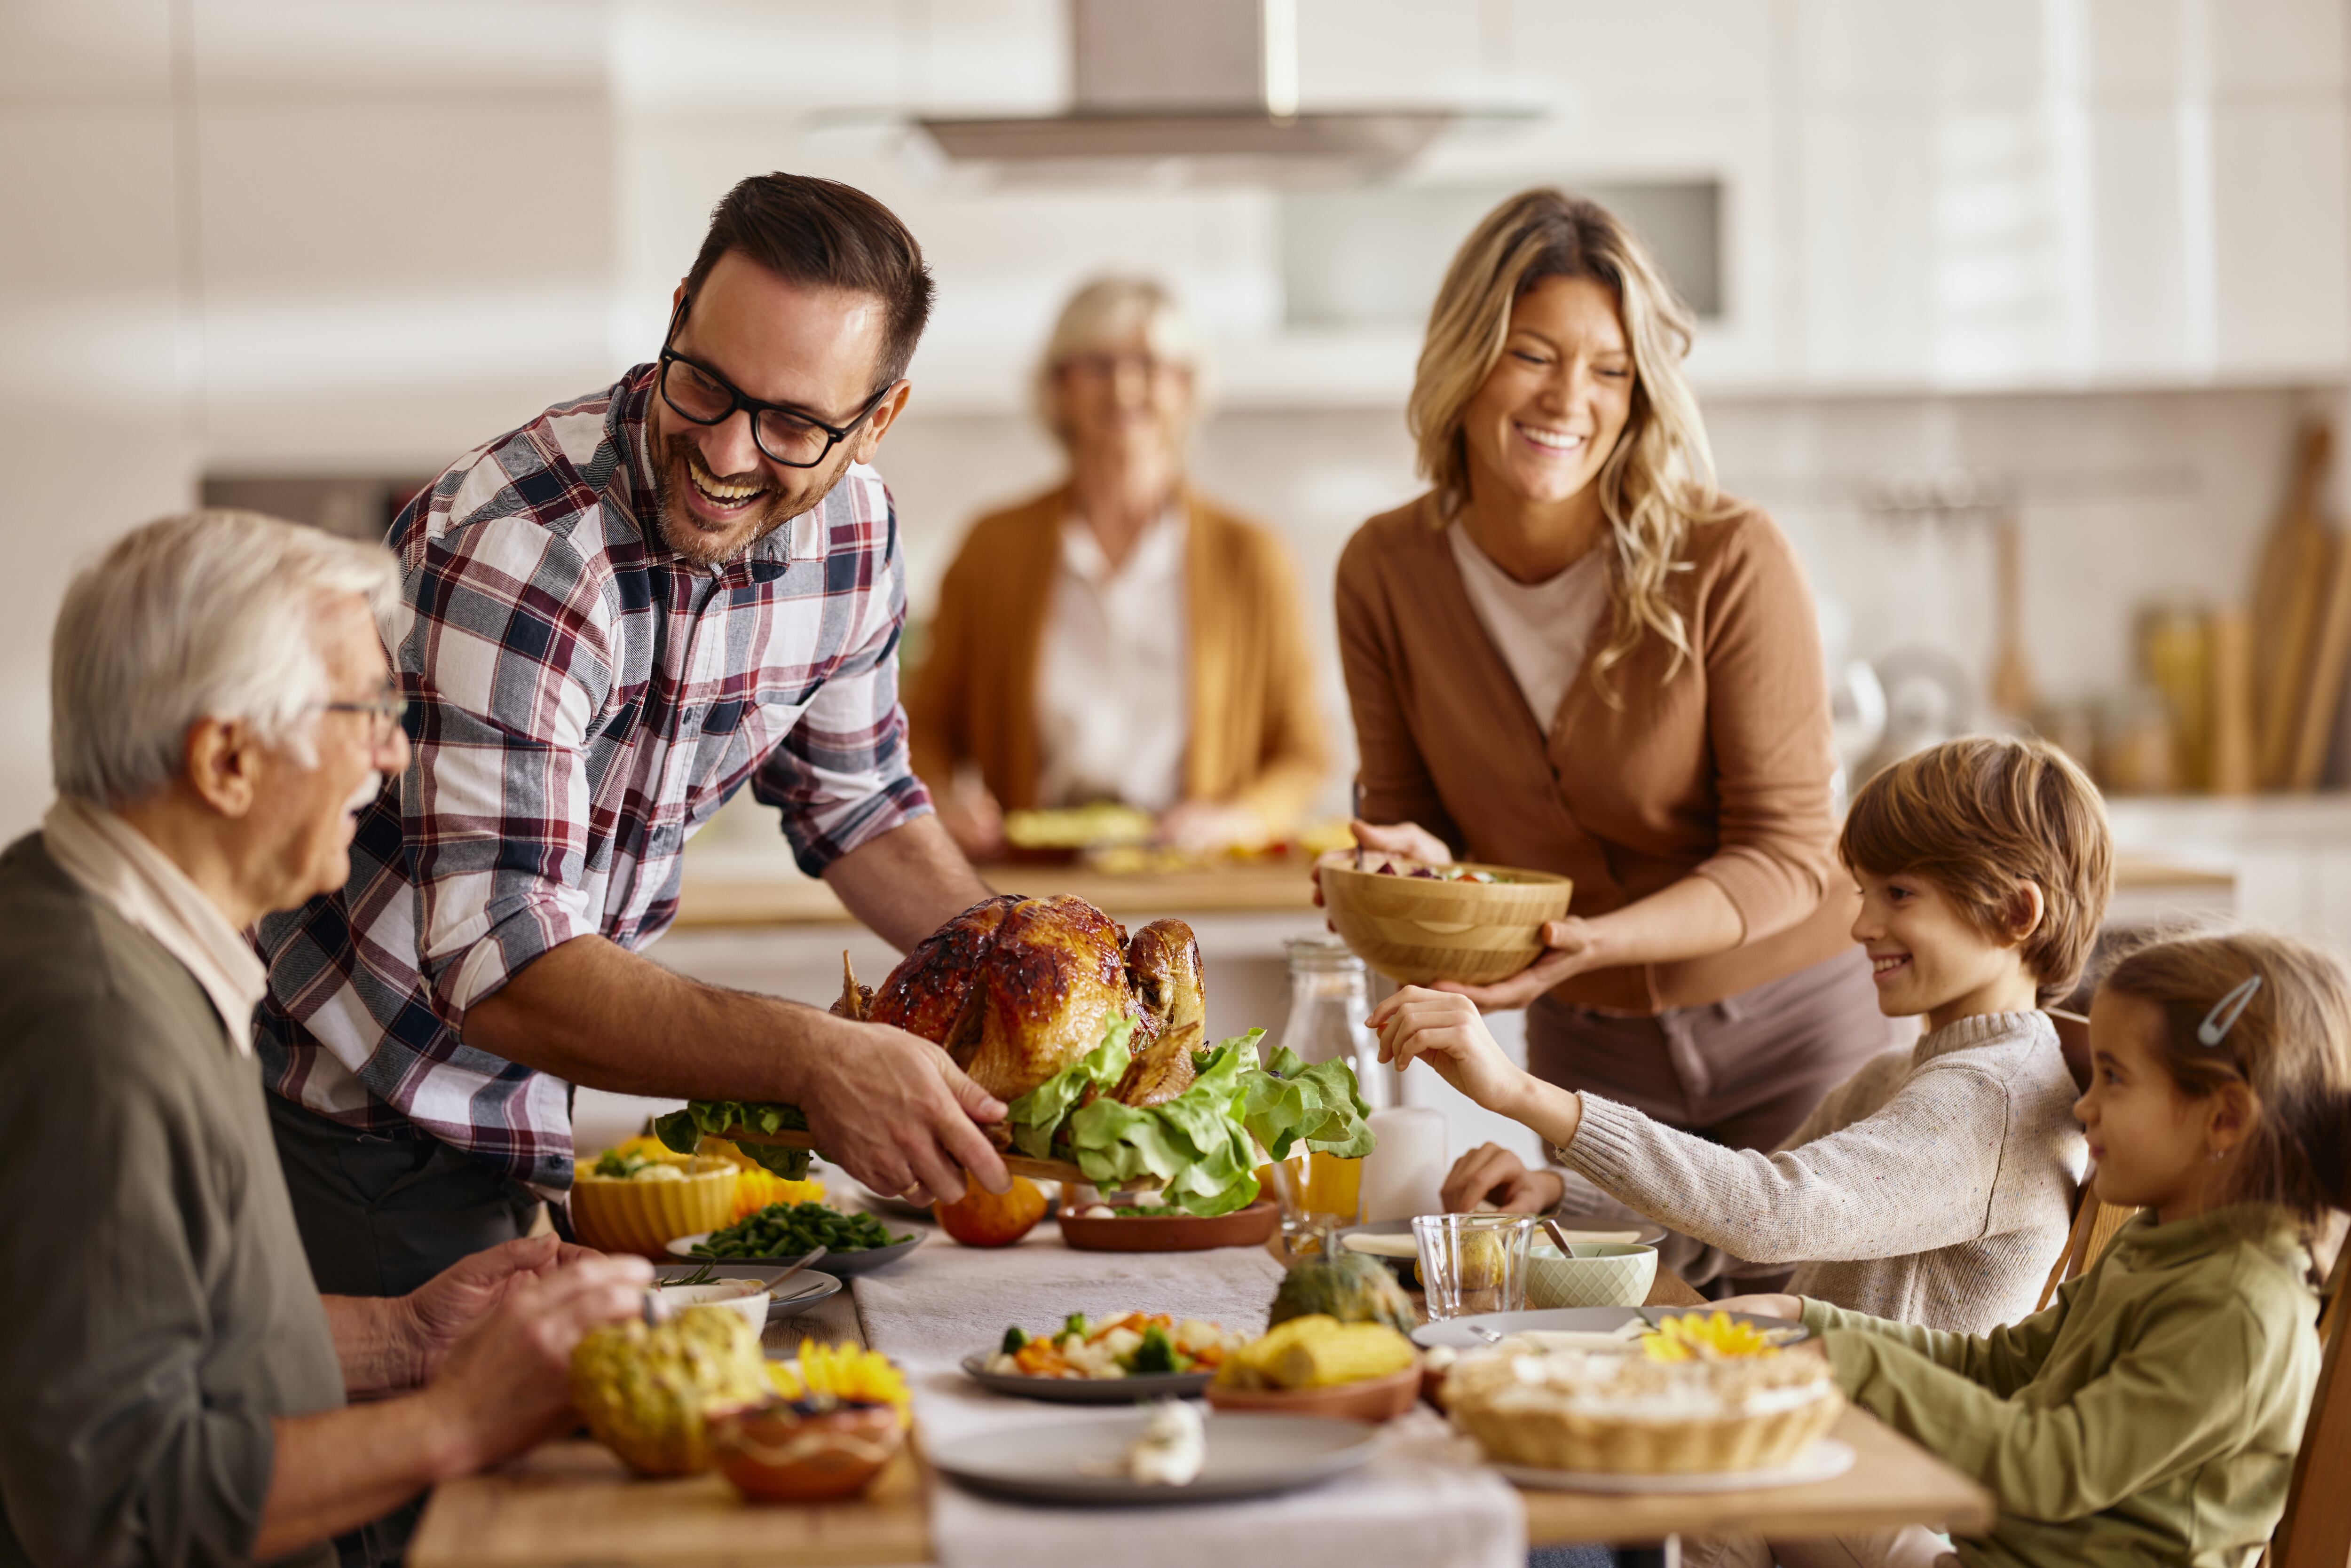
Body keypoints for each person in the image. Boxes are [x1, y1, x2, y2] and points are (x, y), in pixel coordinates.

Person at [258, 171, 1010, 1300]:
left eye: (797, 422)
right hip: (364, 1130)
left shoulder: (856, 532)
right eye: (705, 384)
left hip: (524, 1117)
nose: (729, 453)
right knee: (446, 1471)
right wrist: (817, 1060)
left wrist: (1036, 984)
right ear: (674, 319)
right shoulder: (526, 550)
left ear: (876, 421)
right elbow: (501, 964)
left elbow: (856, 804)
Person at [0, 512, 652, 1568]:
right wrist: (460, 1422)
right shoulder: (97, 1028)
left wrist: (407, 1340)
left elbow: (151, 1333)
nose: (393, 753)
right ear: (225, 758)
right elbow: (117, 1508)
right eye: (364, 711)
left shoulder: (99, 915)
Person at [1329, 188, 1894, 1219]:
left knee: (1797, 1343)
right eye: (1533, 355)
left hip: (1793, 1031)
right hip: (1590, 1055)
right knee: (1611, 1342)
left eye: (1609, 370)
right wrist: (1403, 875)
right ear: (1467, 357)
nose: (1567, 400)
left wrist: (1596, 938)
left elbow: (1788, 850)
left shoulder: (1728, 556)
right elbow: (1430, 823)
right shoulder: (1383, 569)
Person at [1373, 736, 2106, 1332]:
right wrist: (1556, 1194)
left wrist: (1520, 1094)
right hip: (1814, 1428)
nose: (1860, 925)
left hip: (1869, 1483)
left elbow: (1771, 1216)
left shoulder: (1990, 1102)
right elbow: (1721, 1226)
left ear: (2016, 913)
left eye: (1900, 893)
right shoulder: (1897, 1078)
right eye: (1863, 892)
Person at [1689, 929, 2351, 1568]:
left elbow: (2053, 1466)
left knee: (1733, 1466)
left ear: (2225, 1117)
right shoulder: (2158, 1244)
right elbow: (2007, 1364)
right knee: (1740, 1458)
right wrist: (1812, 1319)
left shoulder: (2238, 1309)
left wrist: (1850, 1359)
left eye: (2114, 1078)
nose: (2084, 1106)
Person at [911, 276, 1327, 858]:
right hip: (1034, 886)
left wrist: (1242, 819)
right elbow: (924, 722)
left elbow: (1303, 750)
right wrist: (944, 803)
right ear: (1058, 387)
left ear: (1186, 387)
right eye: (1097, 365)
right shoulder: (992, 546)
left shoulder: (1253, 556)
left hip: (1193, 872)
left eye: (1150, 365)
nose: (1124, 387)